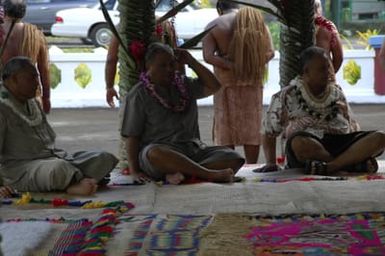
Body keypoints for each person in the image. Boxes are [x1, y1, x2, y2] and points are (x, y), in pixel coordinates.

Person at [121, 42, 244, 184]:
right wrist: (135, 171)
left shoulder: (184, 85)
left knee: (234, 157)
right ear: (149, 66)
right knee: (154, 153)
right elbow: (132, 136)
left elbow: (214, 86)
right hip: (162, 152)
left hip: (193, 151)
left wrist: (191, 61)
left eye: (172, 64)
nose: (169, 69)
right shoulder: (139, 94)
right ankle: (209, 174)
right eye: (163, 65)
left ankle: (183, 173)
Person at [257, 47, 385, 175]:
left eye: (328, 67)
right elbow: (268, 132)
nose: (328, 72)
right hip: (310, 148)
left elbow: (353, 127)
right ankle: (349, 165)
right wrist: (270, 163)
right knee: (299, 143)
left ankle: (332, 166)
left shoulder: (337, 92)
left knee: (380, 137)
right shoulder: (287, 95)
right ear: (306, 72)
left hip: (341, 145)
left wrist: (356, 138)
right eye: (322, 69)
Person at [0, 57, 118, 195]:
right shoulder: (2, 107)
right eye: (31, 78)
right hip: (22, 169)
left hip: (54, 157)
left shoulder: (32, 102)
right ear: (14, 79)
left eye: (36, 78)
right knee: (59, 168)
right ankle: (72, 185)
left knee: (103, 158)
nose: (37, 84)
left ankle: (75, 179)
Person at [105, 19, 181, 172]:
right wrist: (180, 84)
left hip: (135, 88)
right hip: (166, 90)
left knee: (131, 129)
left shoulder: (124, 27)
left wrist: (109, 86)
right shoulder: (165, 24)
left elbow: (111, 59)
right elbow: (177, 59)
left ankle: (132, 165)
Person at [202, 2, 274, 164]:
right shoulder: (257, 22)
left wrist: (231, 66)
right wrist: (248, 65)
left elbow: (208, 56)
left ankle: (230, 164)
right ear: (237, 6)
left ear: (219, 9)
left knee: (225, 125)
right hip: (252, 81)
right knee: (252, 126)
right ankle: (251, 165)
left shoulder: (214, 25)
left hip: (225, 84)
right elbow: (270, 52)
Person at [0, 0, 51, 113]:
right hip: (30, 98)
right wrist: (46, 98)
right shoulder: (35, 34)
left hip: (3, 98)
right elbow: (44, 70)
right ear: (23, 12)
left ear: (5, 10)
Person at [314, 0, 343, 78]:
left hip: (303, 78)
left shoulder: (295, 27)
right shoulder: (327, 27)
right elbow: (339, 57)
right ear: (319, 8)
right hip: (325, 75)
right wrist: (329, 74)